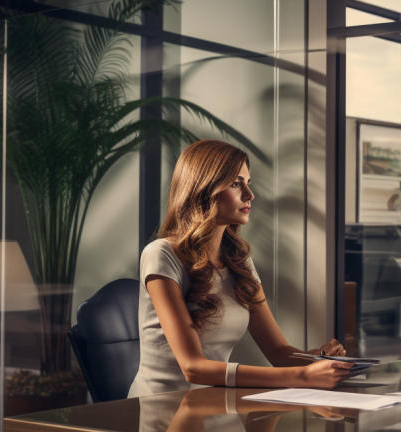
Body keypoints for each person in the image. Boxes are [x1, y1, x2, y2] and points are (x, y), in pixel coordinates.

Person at [128, 140, 350, 397]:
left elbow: (279, 352)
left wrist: (321, 361)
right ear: (203, 188)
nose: (249, 194)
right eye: (236, 183)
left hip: (215, 404)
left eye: (248, 182)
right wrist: (302, 376)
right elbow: (193, 368)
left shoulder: (238, 261)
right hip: (164, 410)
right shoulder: (161, 255)